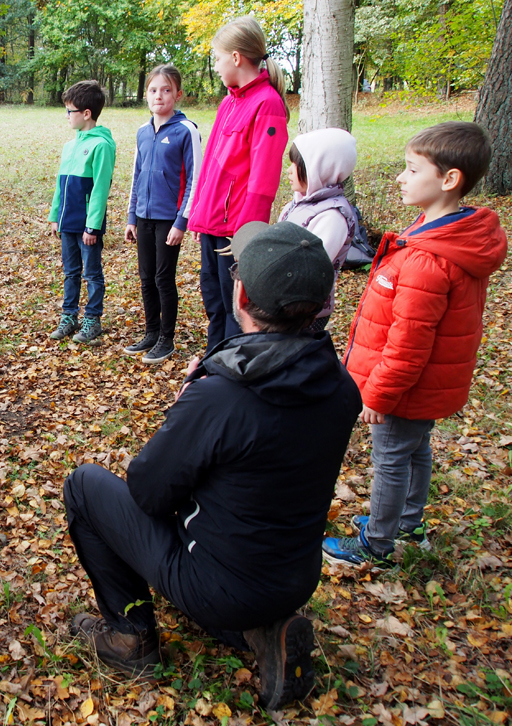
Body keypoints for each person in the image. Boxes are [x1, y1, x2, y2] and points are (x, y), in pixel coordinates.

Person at [63, 221, 361, 711]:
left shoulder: (222, 397)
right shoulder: (340, 383)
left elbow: (147, 490)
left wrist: (191, 409)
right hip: (294, 574)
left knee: (84, 486)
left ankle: (130, 637)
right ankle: (261, 631)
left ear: (239, 294)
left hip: (221, 585)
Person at [323, 122, 508, 567]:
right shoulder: (435, 230)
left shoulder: (429, 258)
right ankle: (408, 522)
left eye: (410, 169)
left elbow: (409, 344)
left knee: (390, 457)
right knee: (413, 448)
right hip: (422, 386)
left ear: (449, 180)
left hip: (407, 386)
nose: (400, 178)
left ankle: (378, 544)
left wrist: (380, 394)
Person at [185, 16, 289, 352]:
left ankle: (231, 371)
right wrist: (199, 214)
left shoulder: (267, 103)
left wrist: (246, 235)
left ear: (235, 57)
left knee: (235, 308)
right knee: (213, 300)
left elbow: (264, 178)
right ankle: (214, 363)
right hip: (213, 223)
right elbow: (212, 164)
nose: (215, 65)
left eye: (217, 57)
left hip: (235, 231)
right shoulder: (228, 102)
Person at [124, 64, 202, 364]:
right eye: (154, 90)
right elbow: (137, 174)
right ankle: (151, 332)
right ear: (146, 95)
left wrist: (182, 221)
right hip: (143, 217)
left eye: (166, 90)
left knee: (162, 278)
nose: (159, 96)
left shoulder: (186, 131)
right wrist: (131, 216)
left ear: (177, 94)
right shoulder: (143, 132)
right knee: (146, 278)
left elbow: (196, 177)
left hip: (170, 219)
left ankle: (167, 338)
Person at [48, 80, 117, 344]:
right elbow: (60, 184)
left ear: (86, 113)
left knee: (92, 273)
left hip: (87, 226)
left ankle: (92, 319)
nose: (66, 116)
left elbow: (100, 189)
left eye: (70, 111)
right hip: (67, 223)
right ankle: (69, 316)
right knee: (70, 271)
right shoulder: (70, 146)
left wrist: (93, 226)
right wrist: (55, 216)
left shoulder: (101, 145)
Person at [277, 128, 359, 332]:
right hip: (281, 302)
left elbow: (311, 266)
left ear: (319, 168)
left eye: (296, 164)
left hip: (305, 311)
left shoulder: (332, 216)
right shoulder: (295, 205)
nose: (288, 169)